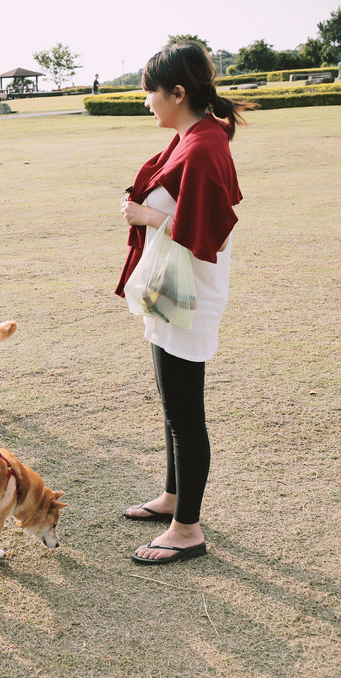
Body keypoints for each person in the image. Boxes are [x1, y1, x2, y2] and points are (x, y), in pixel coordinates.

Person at [116, 42, 252, 565]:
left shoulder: (203, 146)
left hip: (189, 296)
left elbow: (210, 235)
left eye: (151, 90)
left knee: (185, 415)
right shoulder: (192, 138)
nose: (145, 100)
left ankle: (188, 529)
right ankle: (174, 497)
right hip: (170, 289)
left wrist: (145, 217)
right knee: (173, 409)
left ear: (177, 92)